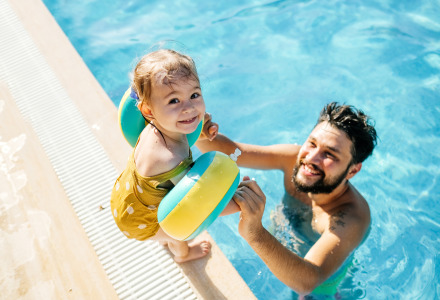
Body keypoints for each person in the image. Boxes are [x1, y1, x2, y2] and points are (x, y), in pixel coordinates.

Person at [196, 102, 377, 295]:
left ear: (353, 170)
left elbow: (309, 280)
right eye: (312, 143)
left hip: (322, 286)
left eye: (329, 154)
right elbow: (232, 151)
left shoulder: (350, 217)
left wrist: (254, 232)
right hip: (280, 244)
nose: (311, 159)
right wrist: (199, 133)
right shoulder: (293, 158)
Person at [110, 49, 239, 263]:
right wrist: (237, 200)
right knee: (176, 235)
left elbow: (184, 129)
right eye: (173, 101)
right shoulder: (169, 158)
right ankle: (183, 256)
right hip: (141, 220)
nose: (188, 108)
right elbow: (196, 202)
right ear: (149, 110)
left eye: (194, 95)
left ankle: (165, 239)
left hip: (125, 198)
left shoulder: (153, 125)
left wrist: (203, 130)